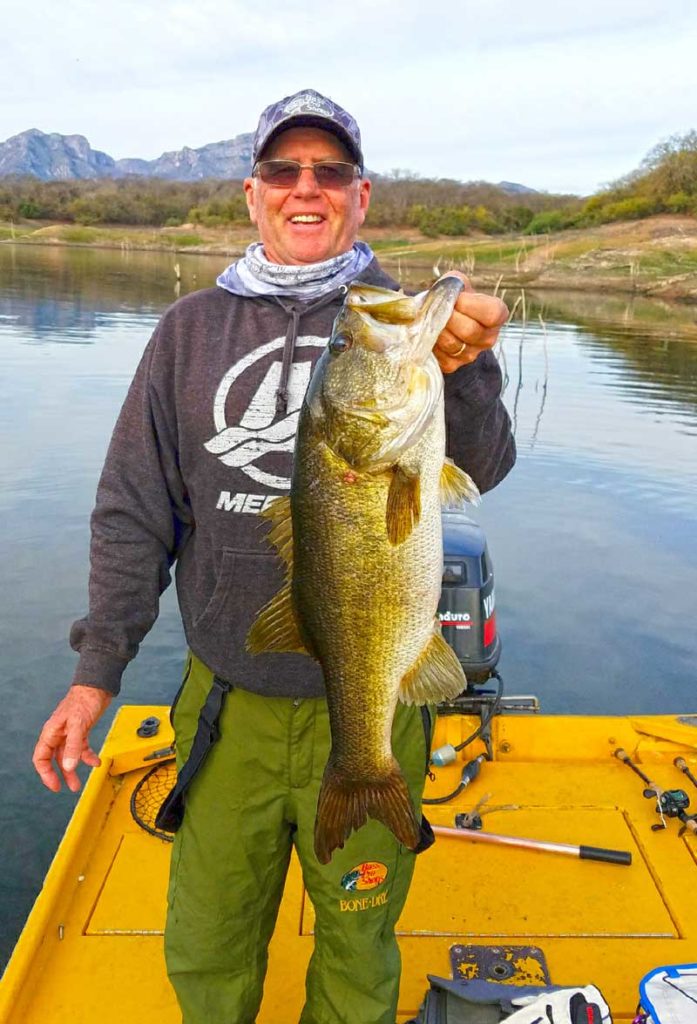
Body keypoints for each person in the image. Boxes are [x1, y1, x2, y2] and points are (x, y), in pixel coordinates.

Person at [32, 89, 515, 1024]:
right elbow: (134, 513)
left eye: (329, 173)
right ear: (251, 195)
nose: (307, 189)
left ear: (360, 196)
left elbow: (483, 466)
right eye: (283, 172)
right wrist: (97, 673)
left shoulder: (404, 329)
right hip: (228, 705)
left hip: (376, 699)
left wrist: (471, 366)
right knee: (208, 945)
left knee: (358, 944)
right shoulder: (187, 331)